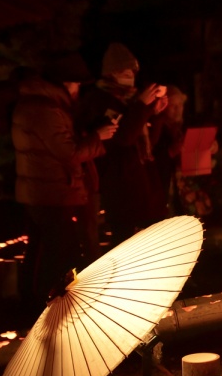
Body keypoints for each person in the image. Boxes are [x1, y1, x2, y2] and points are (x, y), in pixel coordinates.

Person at [12, 53, 116, 306]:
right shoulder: (44, 109)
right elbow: (68, 152)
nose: (77, 89)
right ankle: (44, 303)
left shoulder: (44, 105)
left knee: (43, 248)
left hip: (47, 188)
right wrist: (97, 137)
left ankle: (35, 301)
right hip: (49, 191)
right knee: (56, 250)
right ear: (62, 83)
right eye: (75, 84)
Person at [77, 42, 168, 245]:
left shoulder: (132, 100)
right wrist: (142, 107)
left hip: (143, 180)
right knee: (125, 241)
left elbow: (148, 143)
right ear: (110, 73)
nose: (129, 73)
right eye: (121, 69)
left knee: (153, 240)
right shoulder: (101, 101)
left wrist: (156, 114)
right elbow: (124, 138)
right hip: (121, 183)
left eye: (132, 69)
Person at [148, 85, 186, 213]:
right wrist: (170, 152)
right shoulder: (156, 127)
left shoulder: (181, 127)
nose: (178, 110)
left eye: (180, 105)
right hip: (161, 185)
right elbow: (150, 156)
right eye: (173, 106)